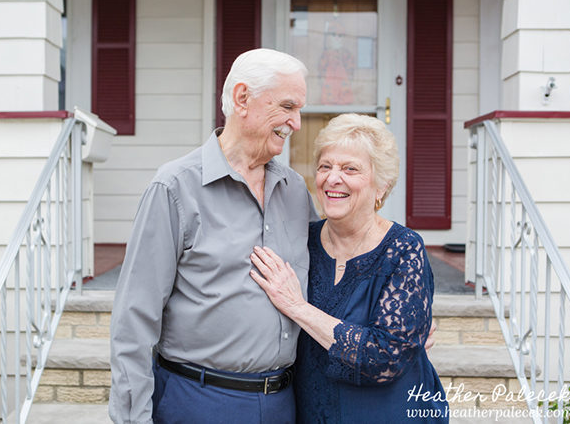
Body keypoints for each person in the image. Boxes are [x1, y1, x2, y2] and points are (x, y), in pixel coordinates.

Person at [109, 48, 318, 424]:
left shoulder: (296, 190)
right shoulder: (174, 188)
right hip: (198, 402)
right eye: (288, 106)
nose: (297, 123)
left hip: (283, 404)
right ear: (242, 99)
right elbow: (133, 321)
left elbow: (333, 273)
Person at [248, 114, 448, 423]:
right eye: (325, 166)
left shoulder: (404, 249)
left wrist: (297, 307)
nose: (332, 179)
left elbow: (383, 358)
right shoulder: (304, 241)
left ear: (381, 186)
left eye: (350, 169)